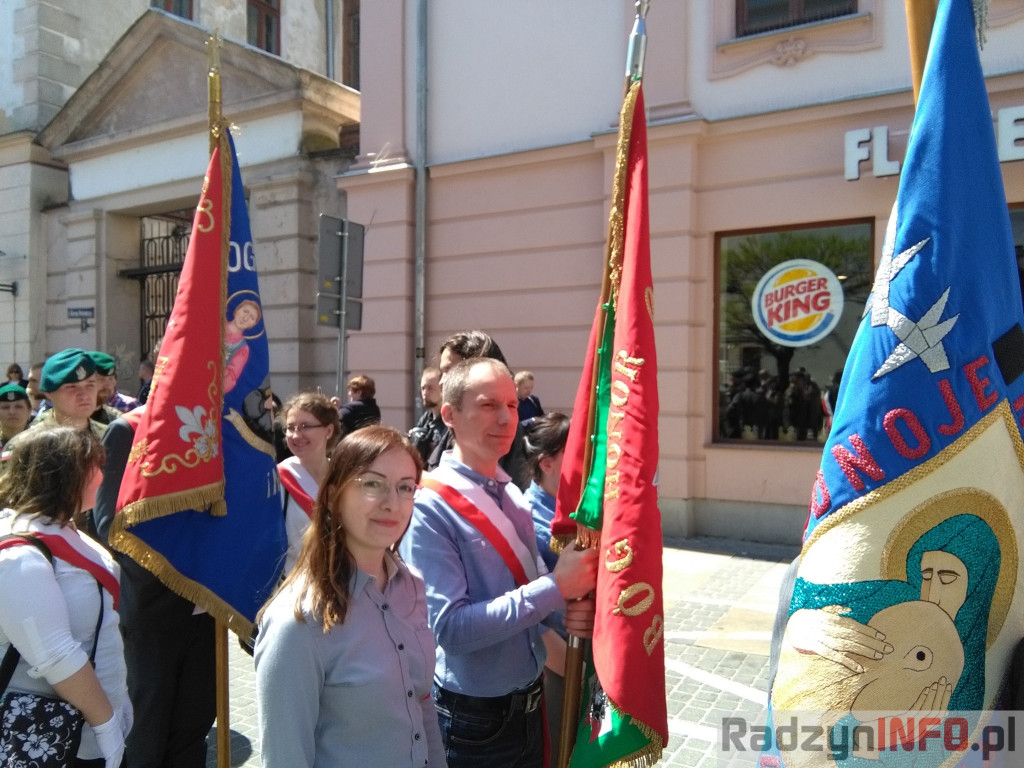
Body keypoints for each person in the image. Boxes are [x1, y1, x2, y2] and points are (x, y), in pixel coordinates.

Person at [400, 357, 598, 768]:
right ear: (450, 415)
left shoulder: (510, 494)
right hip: (472, 718)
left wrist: (568, 604)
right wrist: (555, 589)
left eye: (511, 405)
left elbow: (535, 584)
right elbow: (451, 630)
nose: (507, 419)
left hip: (529, 701)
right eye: (489, 405)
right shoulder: (430, 506)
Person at [255, 426, 445, 768]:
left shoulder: (411, 586)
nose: (392, 503)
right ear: (332, 496)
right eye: (373, 483)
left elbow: (421, 703)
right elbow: (286, 757)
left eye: (405, 487)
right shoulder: (298, 622)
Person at [93, 407, 217, 768]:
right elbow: (109, 525)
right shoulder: (127, 430)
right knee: (147, 732)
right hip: (152, 610)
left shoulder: (217, 429)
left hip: (208, 609)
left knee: (193, 730)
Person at [0, 426, 130, 768]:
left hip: (82, 732)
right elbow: (57, 655)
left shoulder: (63, 528)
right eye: (94, 467)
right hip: (47, 736)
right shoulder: (17, 554)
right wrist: (107, 727)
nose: (102, 476)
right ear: (64, 476)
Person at [521, 411, 571, 760]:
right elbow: (531, 616)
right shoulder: (529, 520)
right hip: (557, 666)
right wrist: (569, 664)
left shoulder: (572, 510)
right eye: (577, 454)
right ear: (547, 463)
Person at [426, 330, 530, 488]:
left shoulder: (501, 438)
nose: (441, 382)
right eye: (442, 372)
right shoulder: (454, 428)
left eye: (450, 371)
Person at [279, 392, 341, 573]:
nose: (296, 436)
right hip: (296, 587)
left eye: (305, 426)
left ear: (328, 431)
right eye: (290, 428)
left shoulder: (345, 477)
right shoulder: (278, 480)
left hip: (344, 584)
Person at [224, 299, 262, 393]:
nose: (245, 318)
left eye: (252, 318)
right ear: (237, 309)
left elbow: (231, 377)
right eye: (245, 311)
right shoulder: (216, 327)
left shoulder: (242, 348)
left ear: (253, 324)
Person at [409, 366, 445, 463]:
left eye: (430, 388)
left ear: (442, 389)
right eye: (423, 388)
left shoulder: (449, 422)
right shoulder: (425, 419)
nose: (425, 393)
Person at [89, 351, 138, 423]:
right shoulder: (79, 408)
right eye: (101, 379)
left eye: (111, 379)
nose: (108, 384)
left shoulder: (130, 406)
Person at [0, 383, 32, 449]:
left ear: (29, 410)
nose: (12, 412)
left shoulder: (40, 442)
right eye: (5, 407)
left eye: (18, 407)